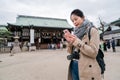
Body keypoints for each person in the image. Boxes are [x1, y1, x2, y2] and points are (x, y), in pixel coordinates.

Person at [64, 9, 101, 80]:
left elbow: (93, 52)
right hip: (74, 65)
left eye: (76, 19)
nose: (74, 22)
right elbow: (69, 52)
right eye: (72, 21)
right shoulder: (75, 33)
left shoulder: (92, 30)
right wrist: (70, 42)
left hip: (87, 68)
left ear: (83, 17)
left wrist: (76, 41)